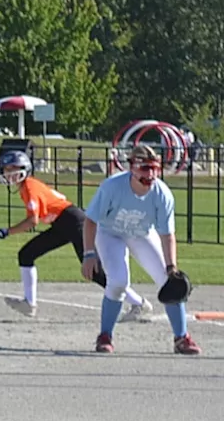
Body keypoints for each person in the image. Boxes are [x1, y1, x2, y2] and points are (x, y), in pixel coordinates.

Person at [0, 150, 151, 319]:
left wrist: (6, 232)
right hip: (62, 223)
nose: (7, 173)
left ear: (23, 169)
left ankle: (139, 303)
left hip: (72, 221)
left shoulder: (29, 186)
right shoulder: (27, 187)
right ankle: (29, 304)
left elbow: (32, 221)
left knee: (95, 273)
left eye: (11, 168)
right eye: (6, 169)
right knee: (26, 254)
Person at [83, 145, 201, 355]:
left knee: (169, 282)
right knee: (118, 281)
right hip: (110, 233)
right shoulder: (112, 187)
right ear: (132, 168)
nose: (151, 174)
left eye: (154, 168)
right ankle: (105, 336)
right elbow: (91, 220)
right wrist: (89, 254)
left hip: (142, 234)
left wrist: (171, 266)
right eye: (145, 168)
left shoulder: (162, 193)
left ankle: (181, 338)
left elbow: (167, 234)